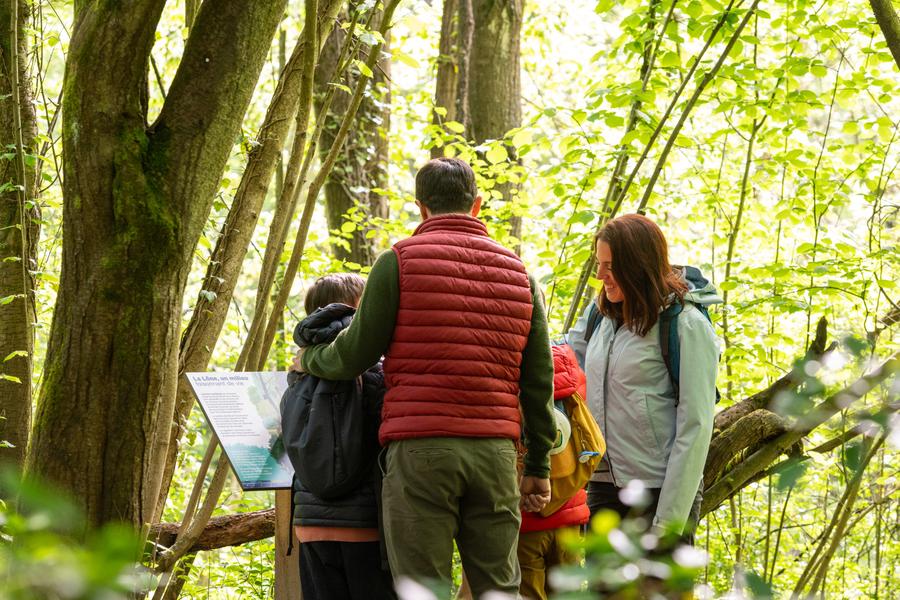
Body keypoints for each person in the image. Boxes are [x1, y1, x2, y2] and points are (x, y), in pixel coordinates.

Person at [296, 157, 556, 597]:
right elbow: (538, 380)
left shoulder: (398, 262)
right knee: (500, 589)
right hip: (494, 453)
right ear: (477, 205)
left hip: (420, 453)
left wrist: (312, 358)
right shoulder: (520, 275)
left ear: (420, 207)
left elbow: (353, 355)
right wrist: (538, 465)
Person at [565, 213, 719, 538]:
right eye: (599, 263)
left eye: (610, 265)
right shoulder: (601, 314)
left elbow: (696, 425)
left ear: (638, 265)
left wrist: (669, 520)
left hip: (659, 489)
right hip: (603, 482)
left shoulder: (687, 325)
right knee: (603, 589)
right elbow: (562, 356)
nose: (600, 275)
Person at [286, 273, 396, 600]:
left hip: (310, 524)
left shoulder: (297, 372)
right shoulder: (375, 369)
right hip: (365, 525)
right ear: (360, 308)